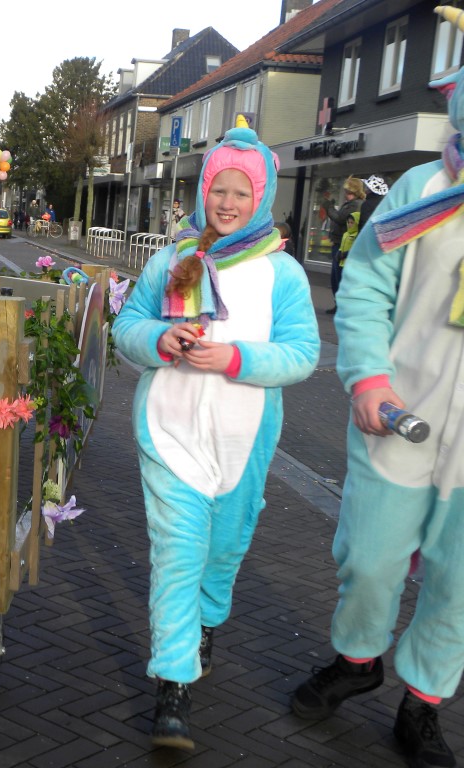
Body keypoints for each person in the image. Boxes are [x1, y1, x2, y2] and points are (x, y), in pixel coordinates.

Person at [291, 10, 464, 766]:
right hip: (402, 415)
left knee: (460, 585)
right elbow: (362, 286)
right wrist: (366, 377)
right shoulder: (422, 192)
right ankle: (358, 658)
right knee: (368, 557)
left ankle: (423, 703)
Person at [113, 118, 319, 751]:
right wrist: (159, 339)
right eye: (218, 190)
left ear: (261, 198)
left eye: (241, 193)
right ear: (203, 191)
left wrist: (235, 358)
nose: (227, 203)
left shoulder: (284, 274)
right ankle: (173, 685)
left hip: (242, 444)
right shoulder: (173, 260)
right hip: (169, 433)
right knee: (177, 555)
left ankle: (205, 622)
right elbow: (127, 328)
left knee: (222, 552)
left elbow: (302, 354)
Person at [320, 176, 365, 314]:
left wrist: (329, 207)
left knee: (339, 276)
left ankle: (342, 306)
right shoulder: (353, 203)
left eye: (349, 192)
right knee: (336, 276)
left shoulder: (355, 205)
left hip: (344, 244)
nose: (346, 194)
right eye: (346, 191)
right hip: (341, 242)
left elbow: (340, 218)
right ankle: (339, 305)